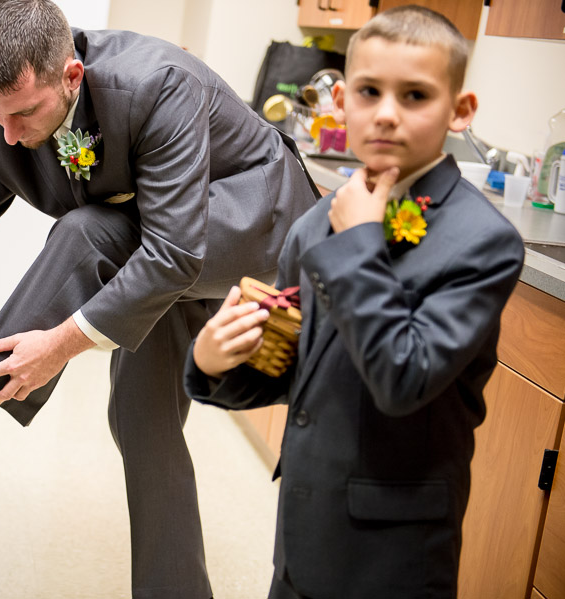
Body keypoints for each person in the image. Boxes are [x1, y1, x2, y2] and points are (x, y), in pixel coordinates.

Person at [0, 0, 317, 597]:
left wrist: (58, 345)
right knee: (139, 424)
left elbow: (175, 251)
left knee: (86, 231)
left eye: (24, 113)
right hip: (157, 245)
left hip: (254, 223)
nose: (10, 135)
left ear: (71, 76)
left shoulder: (156, 83)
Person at [184, 6, 524, 598]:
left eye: (415, 95)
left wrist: (363, 240)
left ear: (459, 111)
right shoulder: (316, 223)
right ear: (342, 100)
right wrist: (218, 362)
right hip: (300, 533)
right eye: (370, 91)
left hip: (392, 554)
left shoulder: (484, 243)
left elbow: (403, 377)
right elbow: (288, 371)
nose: (387, 113)